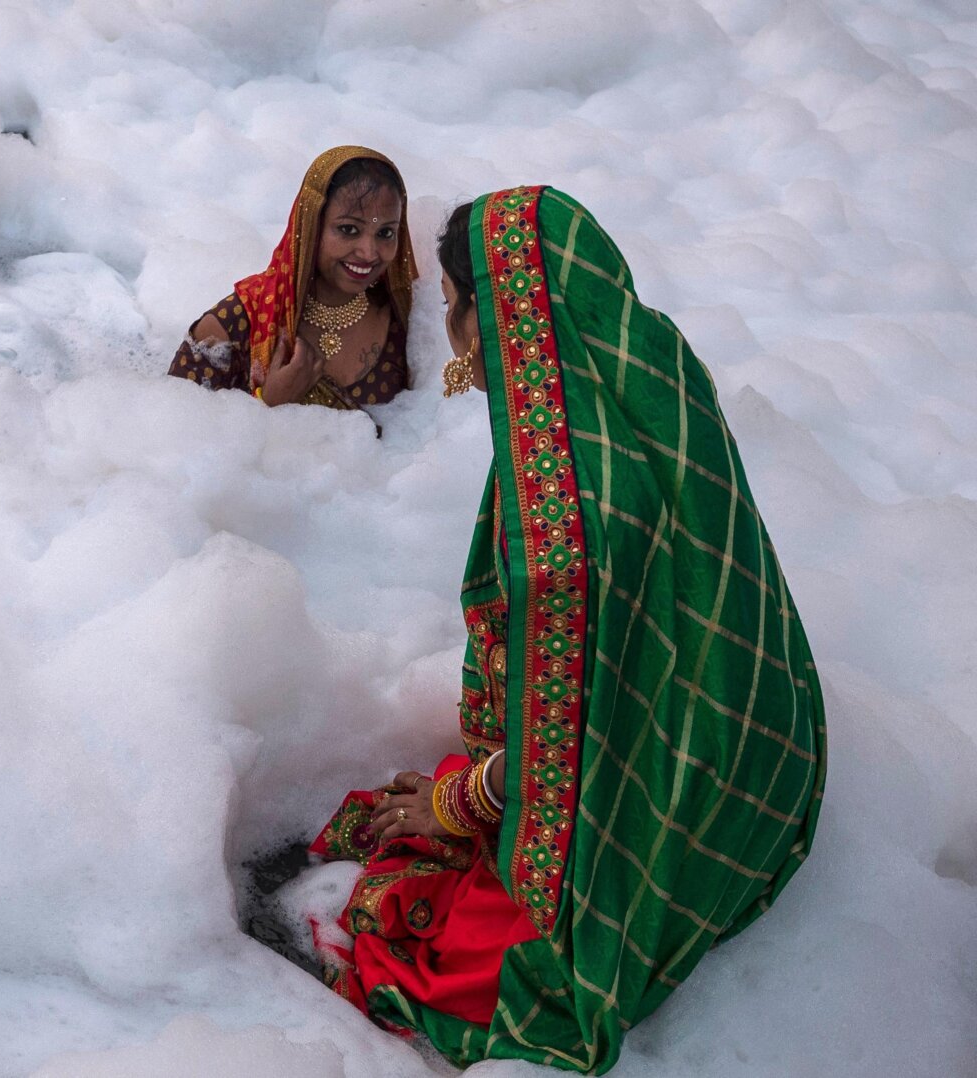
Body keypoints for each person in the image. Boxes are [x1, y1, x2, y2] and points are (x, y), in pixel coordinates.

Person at [299, 187, 826, 1073]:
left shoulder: (562, 530)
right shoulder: (652, 381)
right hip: (755, 771)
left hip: (640, 804)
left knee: (418, 942)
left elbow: (571, 744)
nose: (449, 325)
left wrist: (456, 803)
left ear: (492, 312)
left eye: (454, 301)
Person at [168, 146, 416, 410]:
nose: (369, 252)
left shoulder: (406, 321)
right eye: (348, 229)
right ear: (310, 227)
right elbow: (169, 438)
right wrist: (270, 404)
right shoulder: (235, 324)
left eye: (386, 233)